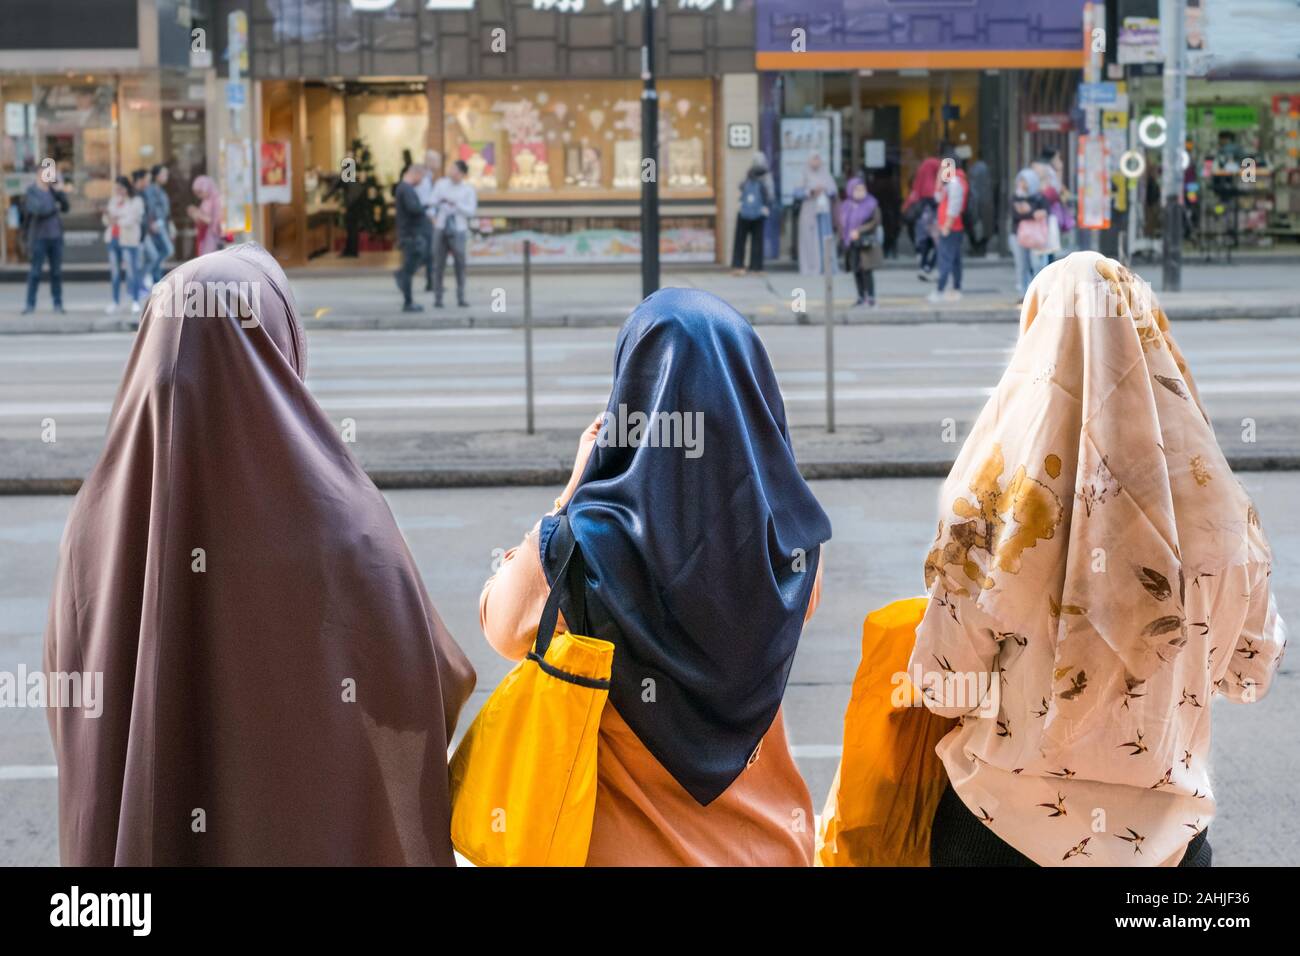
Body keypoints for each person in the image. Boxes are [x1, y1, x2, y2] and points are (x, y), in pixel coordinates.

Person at [43, 243, 476, 865]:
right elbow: (429, 682)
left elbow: (72, 692)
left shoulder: (92, 523)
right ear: (279, 346)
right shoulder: (344, 527)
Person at [912, 252, 1286, 867]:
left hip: (1002, 832)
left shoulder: (991, 509)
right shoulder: (1222, 515)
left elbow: (944, 688)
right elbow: (1248, 673)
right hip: (1164, 843)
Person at [480, 288, 832, 866]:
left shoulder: (581, 547)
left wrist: (573, 489)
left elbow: (502, 625)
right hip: (767, 848)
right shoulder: (791, 543)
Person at [20, 169, 69, 315]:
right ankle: (30, 304)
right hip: (39, 238)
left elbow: (66, 208)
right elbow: (39, 210)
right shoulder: (31, 192)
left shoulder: (53, 192)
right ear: (38, 174)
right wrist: (54, 206)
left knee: (56, 273)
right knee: (35, 272)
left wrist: (60, 192)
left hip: (55, 237)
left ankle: (58, 303)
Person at [430, 159, 477, 308]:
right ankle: (438, 298)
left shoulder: (468, 190)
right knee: (438, 264)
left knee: (460, 264)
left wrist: (456, 204)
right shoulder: (441, 184)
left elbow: (471, 211)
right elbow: (431, 203)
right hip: (441, 226)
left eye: (455, 169)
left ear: (462, 173)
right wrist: (434, 219)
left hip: (459, 229)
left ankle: (461, 296)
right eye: (451, 168)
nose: (451, 172)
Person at [928, 150, 968, 304]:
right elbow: (938, 198)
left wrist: (947, 226)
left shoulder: (955, 182)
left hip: (950, 226)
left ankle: (940, 290)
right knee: (955, 259)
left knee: (945, 259)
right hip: (952, 226)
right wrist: (939, 179)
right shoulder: (952, 180)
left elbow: (954, 206)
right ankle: (956, 288)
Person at [103, 175, 146, 314]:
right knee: (115, 273)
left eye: (121, 188)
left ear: (127, 188)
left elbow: (132, 218)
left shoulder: (136, 201)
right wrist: (113, 218)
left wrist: (116, 218)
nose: (119, 191)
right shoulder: (114, 200)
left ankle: (135, 301)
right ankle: (115, 301)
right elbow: (106, 219)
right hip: (113, 239)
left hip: (128, 240)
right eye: (116, 189)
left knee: (131, 272)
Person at [838, 175, 882, 307]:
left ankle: (871, 297)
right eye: (857, 189)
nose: (860, 192)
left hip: (865, 243)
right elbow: (842, 223)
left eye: (863, 189)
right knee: (856, 270)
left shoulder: (871, 203)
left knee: (866, 270)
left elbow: (876, 221)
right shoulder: (846, 205)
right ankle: (860, 297)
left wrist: (860, 230)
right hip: (852, 243)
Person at [731, 152, 774, 275]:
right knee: (757, 240)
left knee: (740, 240)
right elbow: (770, 195)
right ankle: (756, 267)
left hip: (743, 212)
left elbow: (740, 186)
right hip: (759, 213)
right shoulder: (766, 175)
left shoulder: (748, 173)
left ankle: (738, 266)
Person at [1009, 167, 1049, 301]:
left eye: (1024, 181)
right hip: (1018, 236)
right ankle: (1023, 293)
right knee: (1021, 264)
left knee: (1036, 263)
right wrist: (1033, 213)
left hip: (1036, 236)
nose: (1021, 184)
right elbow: (1016, 214)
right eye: (1019, 180)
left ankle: (1037, 293)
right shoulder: (1016, 197)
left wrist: (1027, 211)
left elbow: (1044, 212)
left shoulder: (1039, 196)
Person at [393, 163, 429, 313]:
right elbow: (413, 209)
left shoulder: (404, 188)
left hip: (410, 234)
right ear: (416, 174)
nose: (422, 181)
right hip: (410, 235)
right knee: (408, 270)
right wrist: (425, 207)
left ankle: (402, 279)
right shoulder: (406, 189)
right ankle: (408, 302)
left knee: (416, 262)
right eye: (422, 177)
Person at [796, 152, 838, 276]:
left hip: (824, 212)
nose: (816, 161)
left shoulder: (825, 173)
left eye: (818, 158)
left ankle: (827, 267)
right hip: (809, 211)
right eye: (813, 159)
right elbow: (797, 193)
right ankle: (811, 267)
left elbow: (833, 191)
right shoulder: (803, 173)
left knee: (825, 238)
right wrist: (811, 191)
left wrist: (824, 189)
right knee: (809, 239)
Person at [903, 157, 940, 280]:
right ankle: (928, 267)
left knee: (927, 243)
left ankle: (924, 267)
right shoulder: (935, 188)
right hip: (934, 222)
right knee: (939, 244)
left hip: (921, 225)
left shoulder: (919, 180)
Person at [1033, 147, 1074, 260]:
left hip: (1049, 209)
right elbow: (1056, 188)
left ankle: (1046, 261)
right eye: (1057, 157)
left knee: (1049, 240)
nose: (1058, 160)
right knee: (1048, 240)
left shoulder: (1046, 169)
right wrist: (1059, 170)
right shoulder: (1046, 169)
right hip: (1048, 209)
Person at [416, 149, 444, 292]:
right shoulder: (425, 179)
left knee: (430, 252)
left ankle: (432, 281)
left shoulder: (429, 177)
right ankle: (406, 273)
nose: (439, 163)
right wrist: (432, 218)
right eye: (437, 160)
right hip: (427, 220)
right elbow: (425, 202)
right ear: (430, 161)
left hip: (428, 219)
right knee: (430, 251)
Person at [143, 163, 175, 283]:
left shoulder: (160, 190)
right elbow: (150, 207)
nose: (166, 176)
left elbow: (165, 210)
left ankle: (156, 280)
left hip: (162, 224)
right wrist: (152, 222)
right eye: (163, 174)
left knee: (160, 252)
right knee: (168, 250)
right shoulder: (151, 190)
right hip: (156, 225)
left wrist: (170, 224)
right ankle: (147, 272)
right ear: (156, 176)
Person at [187, 174, 223, 257]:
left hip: (212, 236)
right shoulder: (206, 200)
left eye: (200, 192)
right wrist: (194, 213)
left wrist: (198, 213)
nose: (199, 196)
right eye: (197, 193)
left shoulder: (215, 200)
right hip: (204, 234)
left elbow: (211, 220)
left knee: (208, 259)